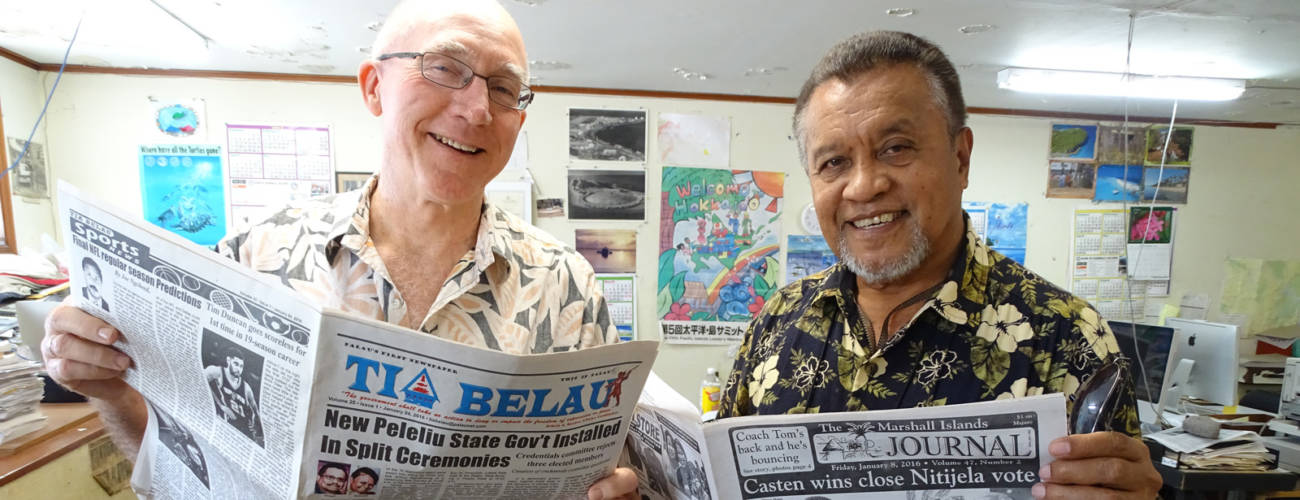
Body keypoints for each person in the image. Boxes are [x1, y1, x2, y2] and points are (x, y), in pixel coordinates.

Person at [41, 1, 636, 498]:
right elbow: (182, 465)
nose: (477, 108)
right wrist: (113, 391)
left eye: (504, 88)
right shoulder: (253, 257)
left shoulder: (566, 285)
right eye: (445, 68)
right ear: (375, 87)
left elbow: (609, 472)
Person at [716, 31, 1161, 499]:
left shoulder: (1066, 333)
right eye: (834, 162)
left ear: (960, 157)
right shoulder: (779, 318)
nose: (864, 186)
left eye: (896, 148)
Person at [204, 345, 263, 443]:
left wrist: (256, 426)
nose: (238, 369)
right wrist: (221, 405)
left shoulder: (246, 388)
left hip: (244, 428)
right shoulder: (217, 372)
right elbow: (201, 377)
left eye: (241, 366)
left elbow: (256, 411)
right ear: (228, 360)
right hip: (228, 422)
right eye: (236, 364)